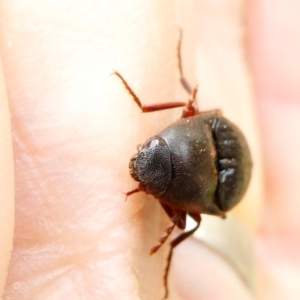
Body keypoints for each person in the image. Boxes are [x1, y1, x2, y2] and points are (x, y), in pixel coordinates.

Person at [0, 1, 299, 299]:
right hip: (220, 174)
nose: (137, 167)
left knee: (189, 218)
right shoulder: (193, 139)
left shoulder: (193, 136)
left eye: (147, 184)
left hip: (223, 179)